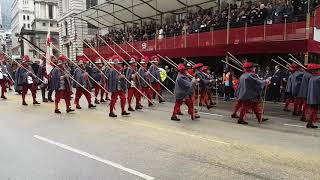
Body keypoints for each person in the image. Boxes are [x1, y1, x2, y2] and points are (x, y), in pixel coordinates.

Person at [306, 64, 320, 128]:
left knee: (312, 110)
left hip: (311, 97)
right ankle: (310, 123)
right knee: (314, 110)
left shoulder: (312, 77)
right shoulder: (318, 78)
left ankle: (310, 123)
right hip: (316, 97)